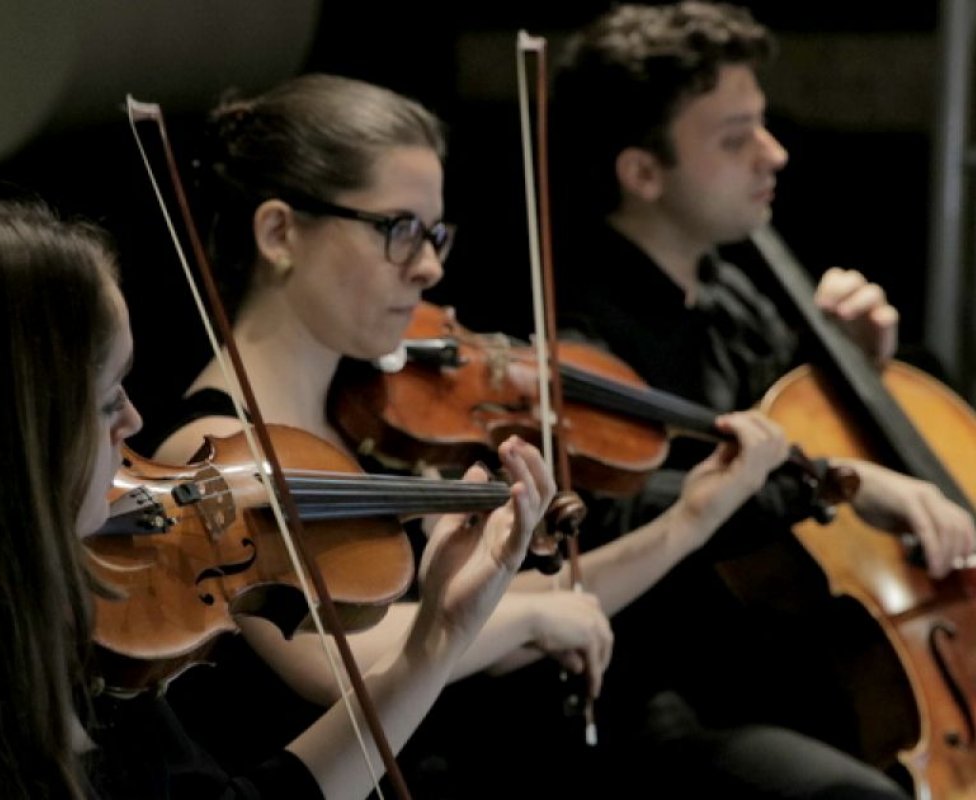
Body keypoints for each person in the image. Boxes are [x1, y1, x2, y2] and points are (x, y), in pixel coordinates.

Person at [128, 72, 798, 797]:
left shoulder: (369, 428)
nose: (430, 267)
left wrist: (689, 521)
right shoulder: (210, 455)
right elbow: (334, 659)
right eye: (399, 230)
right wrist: (527, 614)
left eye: (435, 233)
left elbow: (471, 621)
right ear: (280, 233)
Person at [0, 192, 564, 799]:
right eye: (106, 398)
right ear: (8, 431)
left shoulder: (49, 607)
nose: (135, 422)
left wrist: (438, 636)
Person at [549, 2, 976, 797]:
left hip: (794, 667)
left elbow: (794, 425)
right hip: (668, 699)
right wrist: (836, 482)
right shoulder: (581, 341)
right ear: (642, 173)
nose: (773, 154)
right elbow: (623, 508)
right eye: (735, 137)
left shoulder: (730, 294)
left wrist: (855, 370)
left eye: (765, 126)